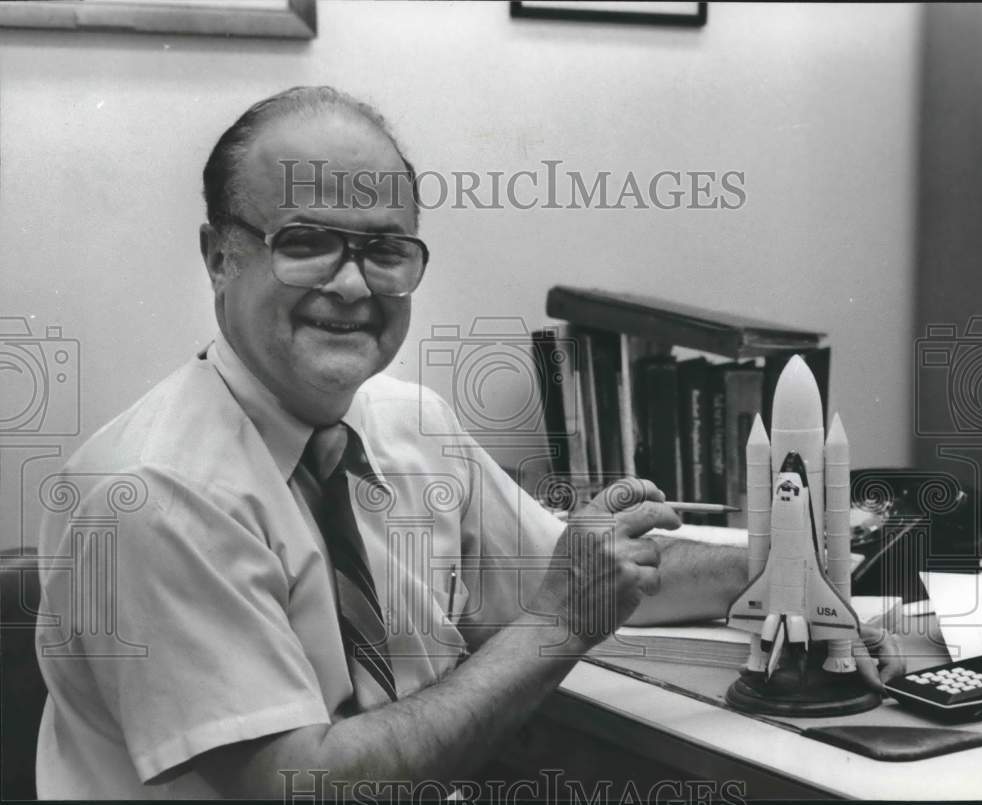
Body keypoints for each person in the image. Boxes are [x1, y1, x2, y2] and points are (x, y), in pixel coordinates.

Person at [34, 86, 901, 799]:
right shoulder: (153, 491)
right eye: (304, 244)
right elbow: (296, 785)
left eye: (384, 250)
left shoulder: (411, 427)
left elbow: (588, 575)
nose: (350, 283)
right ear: (220, 257)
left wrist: (794, 565)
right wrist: (558, 624)